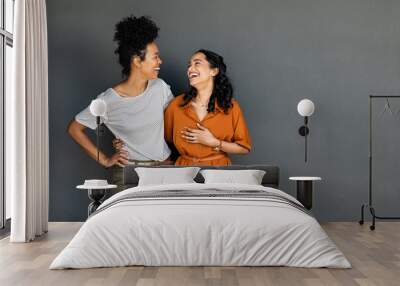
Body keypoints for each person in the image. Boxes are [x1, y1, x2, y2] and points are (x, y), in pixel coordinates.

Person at [67, 15, 173, 191]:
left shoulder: (160, 88)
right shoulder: (107, 100)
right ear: (137, 61)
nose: (160, 61)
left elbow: (175, 124)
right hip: (128, 174)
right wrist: (106, 160)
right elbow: (74, 129)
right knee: (127, 219)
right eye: (155, 57)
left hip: (164, 170)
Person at [163, 49, 251, 166]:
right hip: (183, 172)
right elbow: (165, 139)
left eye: (197, 63)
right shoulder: (176, 105)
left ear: (213, 71)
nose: (190, 69)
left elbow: (244, 148)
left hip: (219, 173)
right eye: (189, 65)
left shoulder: (231, 107)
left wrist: (215, 142)